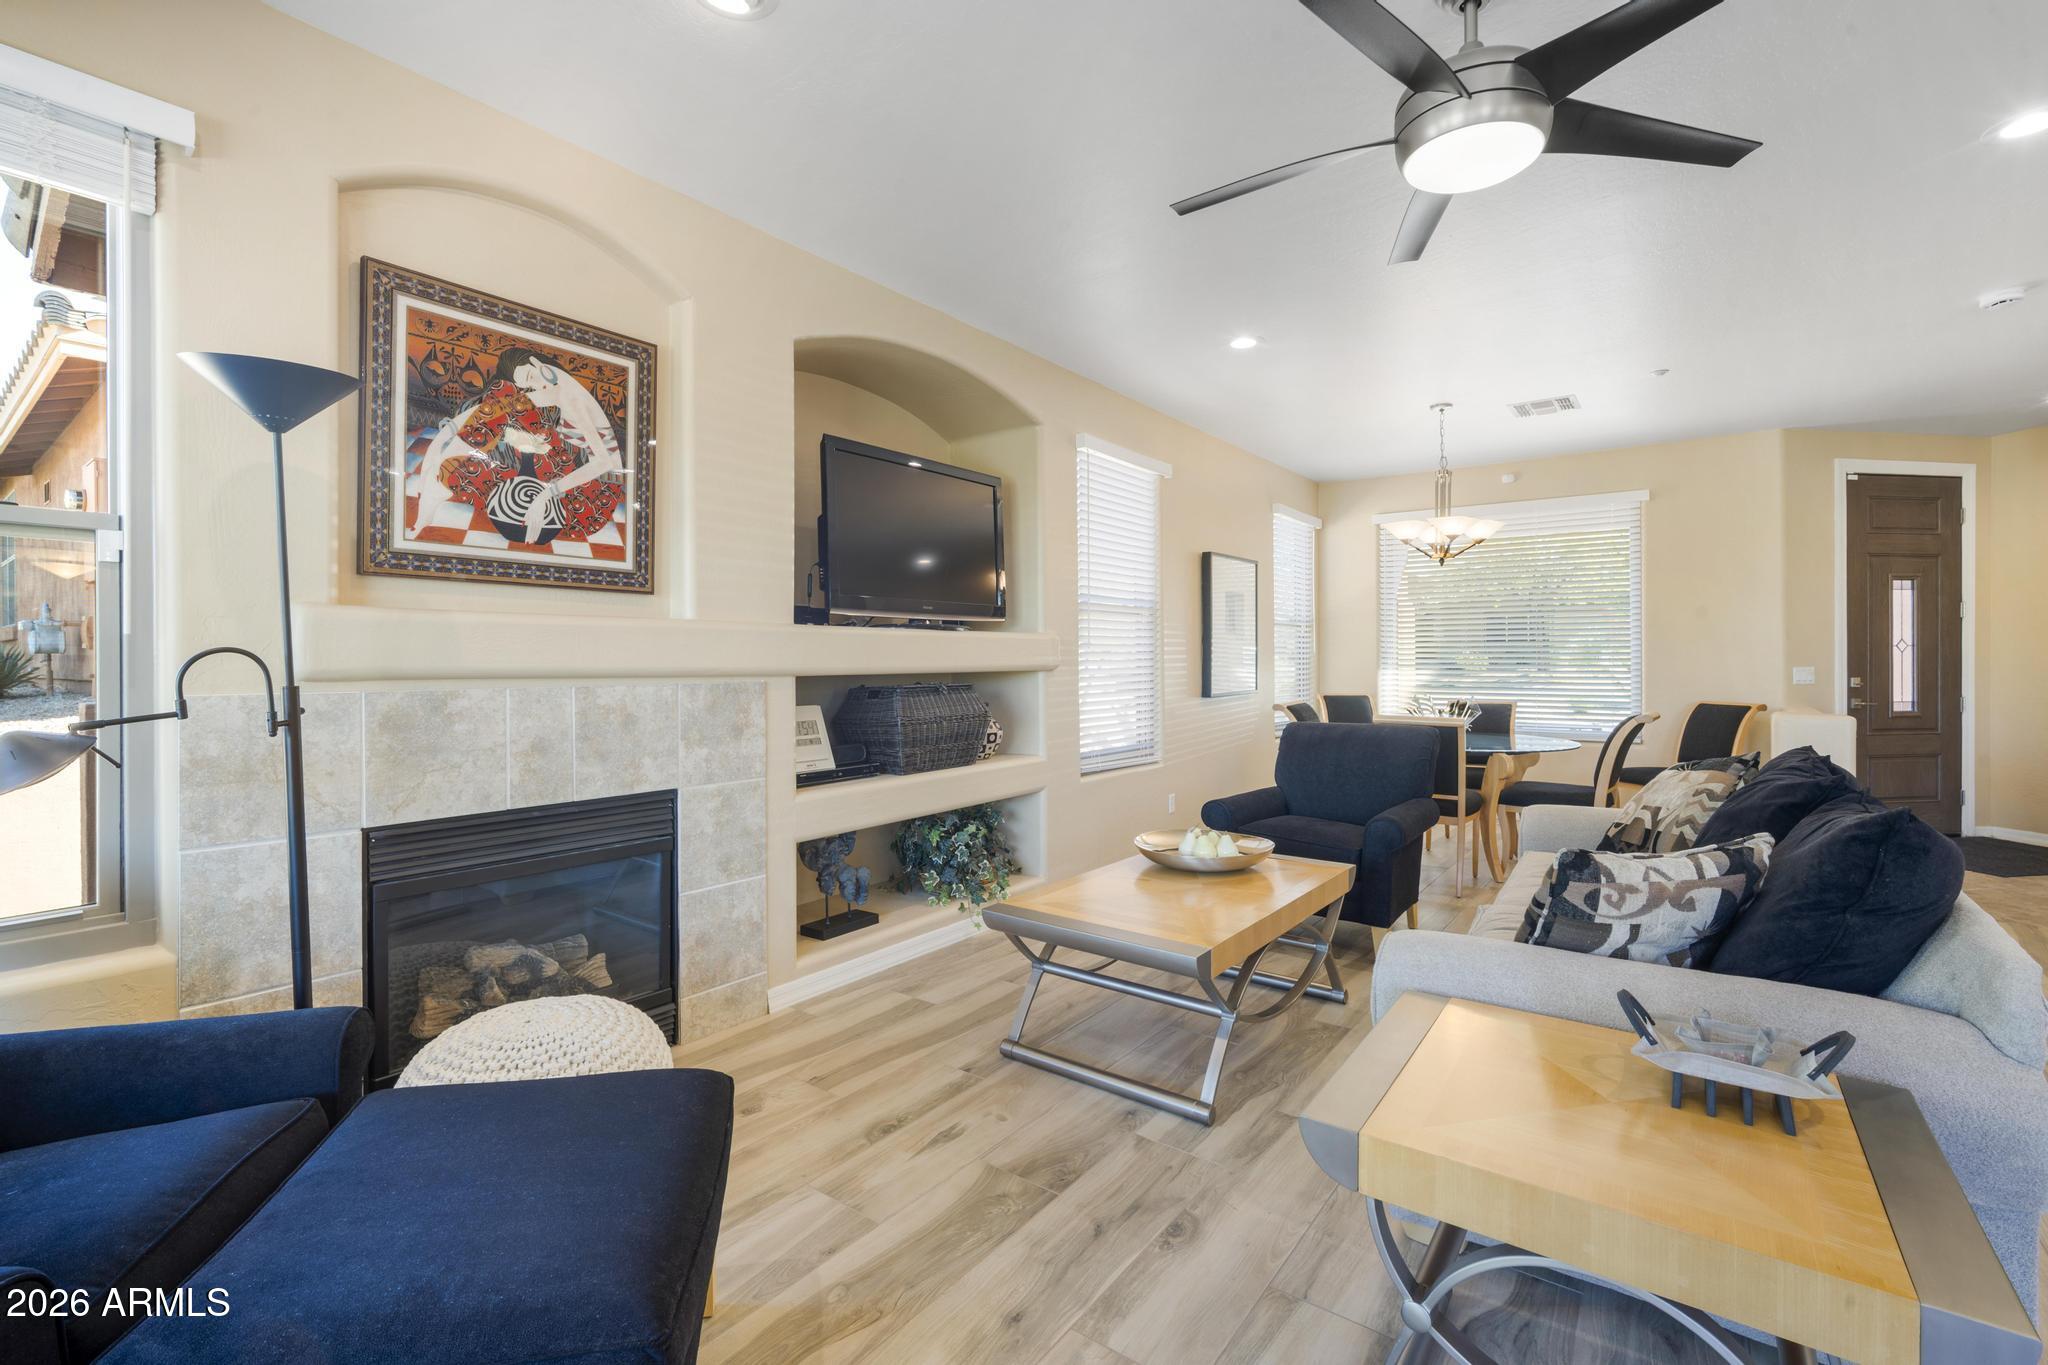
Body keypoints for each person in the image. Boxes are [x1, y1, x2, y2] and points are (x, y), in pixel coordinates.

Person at [408, 345, 627, 546]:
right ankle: (440, 478)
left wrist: (546, 495)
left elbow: (604, 463)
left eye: (531, 377)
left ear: (535, 362)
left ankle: (442, 480)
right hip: (568, 473)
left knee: (508, 411)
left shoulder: (572, 396)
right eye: (529, 384)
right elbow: (501, 407)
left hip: (593, 498)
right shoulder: (554, 384)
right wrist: (448, 434)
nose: (535, 386)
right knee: (506, 399)